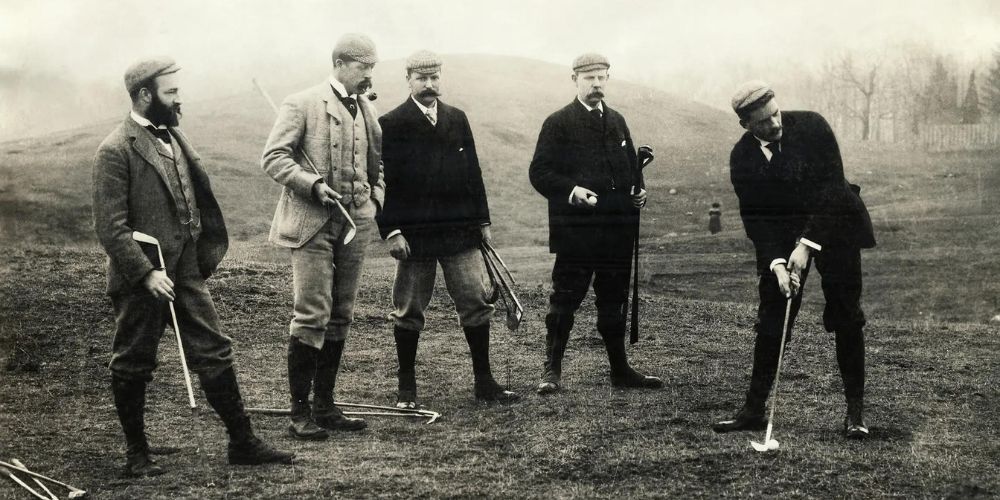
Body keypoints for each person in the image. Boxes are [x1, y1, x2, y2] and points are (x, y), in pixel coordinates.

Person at [93, 57, 294, 476]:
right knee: (133, 359)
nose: (179, 98)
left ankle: (242, 443)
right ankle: (136, 453)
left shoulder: (175, 138)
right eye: (171, 92)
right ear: (145, 95)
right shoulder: (115, 150)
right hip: (142, 279)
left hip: (185, 270)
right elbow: (110, 228)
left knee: (214, 349)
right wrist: (146, 272)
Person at [712, 81, 876, 439]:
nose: (774, 124)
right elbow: (756, 218)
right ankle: (754, 410)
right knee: (773, 314)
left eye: (775, 114)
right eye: (763, 122)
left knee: (846, 313)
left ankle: (855, 415)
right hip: (784, 238)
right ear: (746, 126)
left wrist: (806, 245)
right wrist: (777, 264)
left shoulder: (813, 126)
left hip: (836, 223)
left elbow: (833, 190)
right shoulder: (742, 157)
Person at [377, 50, 519, 408]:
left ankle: (484, 382)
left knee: (475, 302)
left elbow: (473, 172)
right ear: (408, 79)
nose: (429, 85)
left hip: (460, 231)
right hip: (415, 235)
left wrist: (482, 222)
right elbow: (381, 182)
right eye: (422, 78)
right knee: (408, 308)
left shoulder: (457, 118)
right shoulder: (390, 123)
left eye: (435, 77)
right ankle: (406, 388)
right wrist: (391, 230)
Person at [261, 33, 384, 440]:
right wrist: (312, 184)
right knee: (312, 313)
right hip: (310, 223)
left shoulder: (367, 111)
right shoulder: (301, 103)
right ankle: (299, 413)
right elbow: (274, 157)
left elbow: (376, 166)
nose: (369, 74)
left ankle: (325, 405)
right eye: (363, 66)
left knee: (341, 313)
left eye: (372, 66)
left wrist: (374, 202)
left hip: (355, 224)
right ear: (340, 63)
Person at [528, 53, 663, 395]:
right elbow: (539, 173)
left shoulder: (616, 121)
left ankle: (620, 370)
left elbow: (631, 171)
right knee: (565, 300)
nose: (597, 84)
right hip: (577, 232)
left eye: (602, 77)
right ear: (574, 79)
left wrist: (638, 192)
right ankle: (551, 371)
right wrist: (571, 191)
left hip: (616, 230)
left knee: (613, 299)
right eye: (589, 78)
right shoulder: (558, 122)